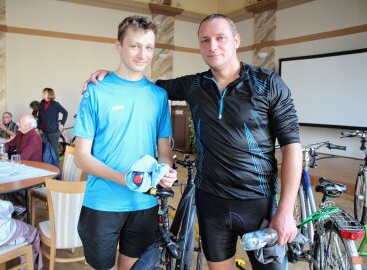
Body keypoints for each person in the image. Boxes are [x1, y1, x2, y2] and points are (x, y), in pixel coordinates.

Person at [83, 14, 302, 270]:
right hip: (211, 203)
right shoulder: (195, 85)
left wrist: (285, 211)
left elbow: (292, 149)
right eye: (205, 40)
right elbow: (145, 83)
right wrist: (110, 75)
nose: (213, 46)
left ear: (236, 41)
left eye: (220, 38)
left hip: (258, 203)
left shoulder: (267, 83)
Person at [73, 15, 177, 270]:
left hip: (144, 203)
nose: (143, 54)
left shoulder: (159, 96)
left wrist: (166, 170)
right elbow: (81, 156)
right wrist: (124, 178)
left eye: (149, 47)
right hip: (102, 203)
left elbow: (164, 151)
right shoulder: (95, 91)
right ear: (119, 46)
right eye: (135, 46)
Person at [37, 88, 68, 159]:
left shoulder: (55, 104)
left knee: (54, 150)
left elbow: (65, 113)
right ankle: (46, 166)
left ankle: (56, 167)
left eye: (44, 93)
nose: (42, 94)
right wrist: (38, 127)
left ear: (49, 94)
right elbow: (39, 116)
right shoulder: (41, 103)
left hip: (53, 132)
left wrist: (62, 123)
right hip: (44, 132)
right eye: (43, 93)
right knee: (44, 149)